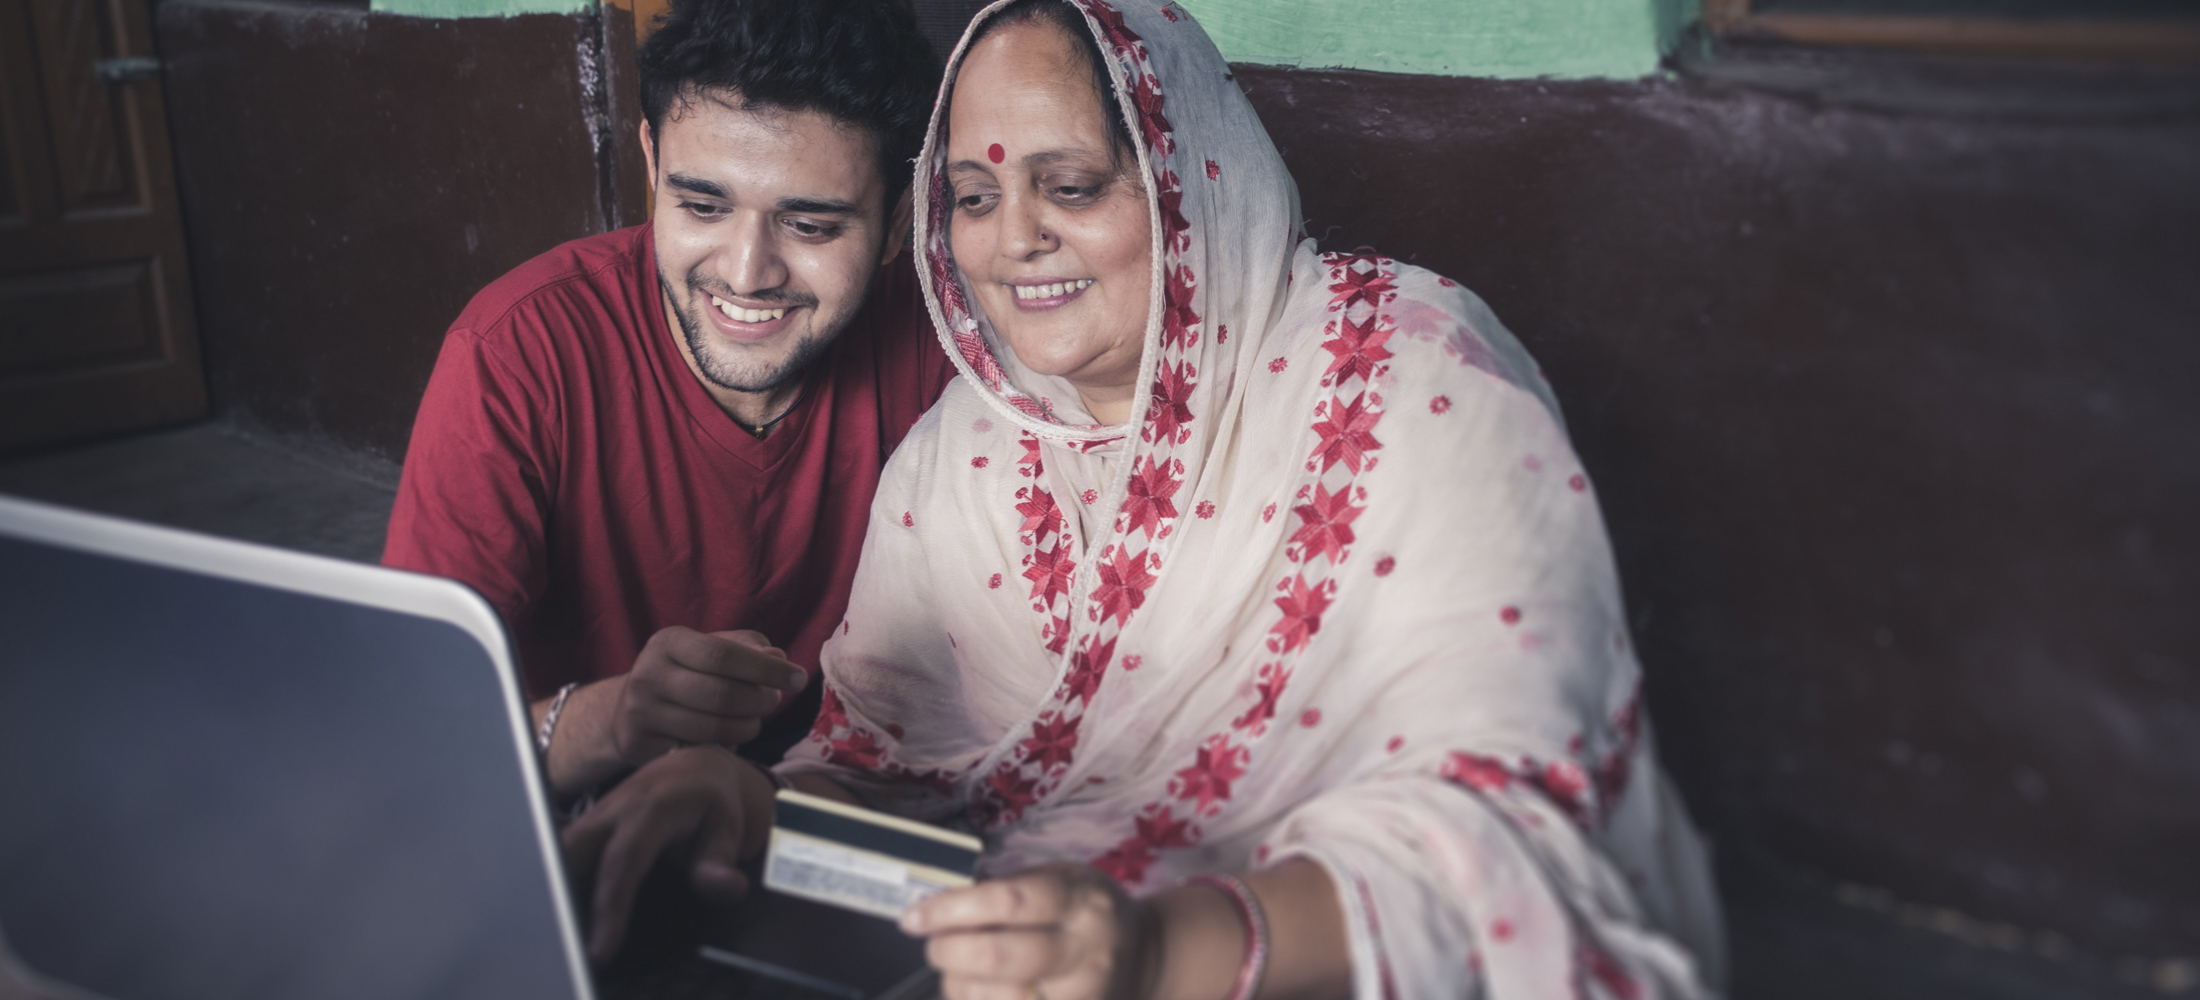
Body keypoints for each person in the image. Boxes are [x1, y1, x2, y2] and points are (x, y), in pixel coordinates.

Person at [753, 0, 1730, 997]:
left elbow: (1515, 834)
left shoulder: (1412, 381)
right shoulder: (965, 448)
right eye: (971, 194)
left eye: (1071, 185)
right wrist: (761, 823)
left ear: (1188, 177)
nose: (1012, 241)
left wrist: (1157, 950)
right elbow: (879, 765)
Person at [379, 0, 950, 960]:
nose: (746, 272)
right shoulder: (517, 352)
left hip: (834, 816)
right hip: (572, 802)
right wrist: (613, 719)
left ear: (899, 219)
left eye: (810, 223)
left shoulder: (950, 348)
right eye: (700, 205)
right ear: (649, 164)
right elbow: (399, 737)